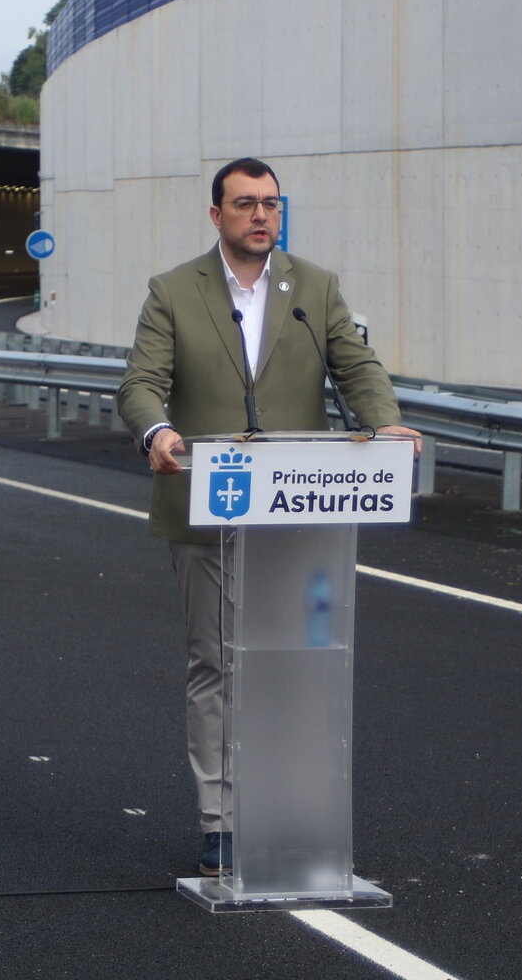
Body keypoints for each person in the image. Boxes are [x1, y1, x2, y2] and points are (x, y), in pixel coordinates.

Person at [117, 157, 421, 877]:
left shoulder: (313, 288)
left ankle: (295, 813)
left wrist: (386, 424)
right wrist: (157, 432)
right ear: (216, 214)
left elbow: (356, 367)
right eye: (246, 204)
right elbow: (141, 382)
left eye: (272, 205)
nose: (262, 216)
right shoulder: (172, 292)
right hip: (206, 508)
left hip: (300, 516)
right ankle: (222, 824)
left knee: (302, 664)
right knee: (217, 666)